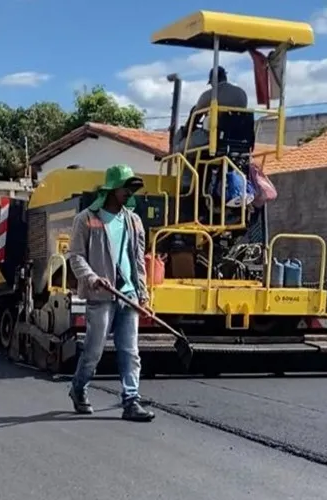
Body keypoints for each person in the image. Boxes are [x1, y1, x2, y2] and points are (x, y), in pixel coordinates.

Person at [67, 164, 155, 422]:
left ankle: (131, 400)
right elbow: (75, 257)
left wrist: (144, 295)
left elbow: (139, 261)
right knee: (94, 351)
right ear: (112, 189)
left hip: (128, 294)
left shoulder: (134, 220)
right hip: (101, 297)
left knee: (130, 351)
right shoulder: (85, 219)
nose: (129, 193)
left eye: (131, 188)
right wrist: (92, 278)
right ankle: (79, 388)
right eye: (125, 188)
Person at [174, 66, 248, 153]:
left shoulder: (209, 95)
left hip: (213, 137)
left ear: (212, 81)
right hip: (238, 138)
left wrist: (185, 131)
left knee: (179, 148)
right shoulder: (242, 93)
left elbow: (194, 117)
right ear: (225, 77)